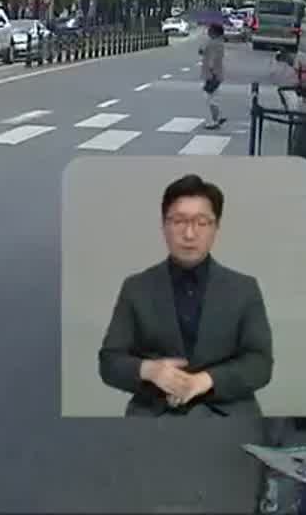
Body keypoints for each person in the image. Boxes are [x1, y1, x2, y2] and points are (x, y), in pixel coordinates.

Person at [97, 174, 273, 417]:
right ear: (163, 225)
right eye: (179, 221)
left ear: (216, 226)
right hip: (153, 411)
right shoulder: (136, 287)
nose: (189, 234)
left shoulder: (244, 288)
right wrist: (150, 370)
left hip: (227, 412)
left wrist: (205, 380)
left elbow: (260, 363)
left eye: (202, 222)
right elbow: (110, 361)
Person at [199, 23, 228, 129]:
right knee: (214, 97)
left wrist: (211, 71)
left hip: (213, 74)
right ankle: (218, 117)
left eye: (210, 30)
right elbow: (203, 52)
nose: (208, 32)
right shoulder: (219, 43)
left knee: (208, 98)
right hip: (217, 74)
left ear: (215, 33)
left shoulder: (213, 43)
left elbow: (212, 59)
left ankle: (213, 121)